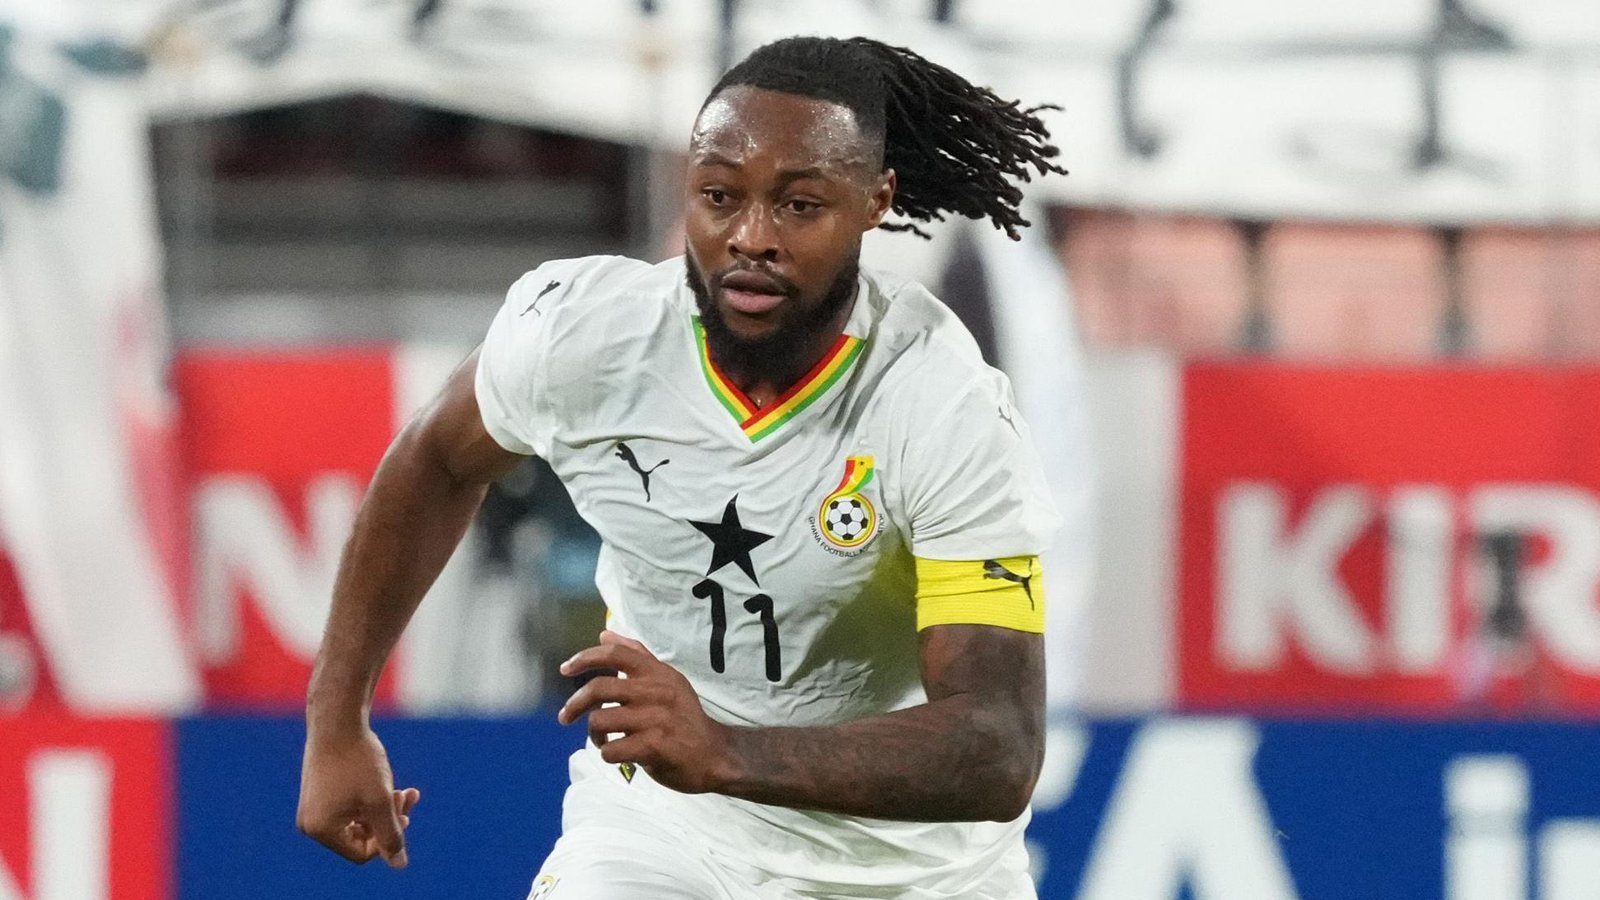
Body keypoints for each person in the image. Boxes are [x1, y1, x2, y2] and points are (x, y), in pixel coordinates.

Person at [296, 34, 1068, 899]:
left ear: (874, 202)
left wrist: (722, 750)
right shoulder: (583, 334)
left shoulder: (943, 403)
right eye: (719, 196)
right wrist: (336, 720)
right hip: (660, 837)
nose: (752, 238)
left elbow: (998, 746)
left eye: (800, 205)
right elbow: (437, 457)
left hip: (912, 875)